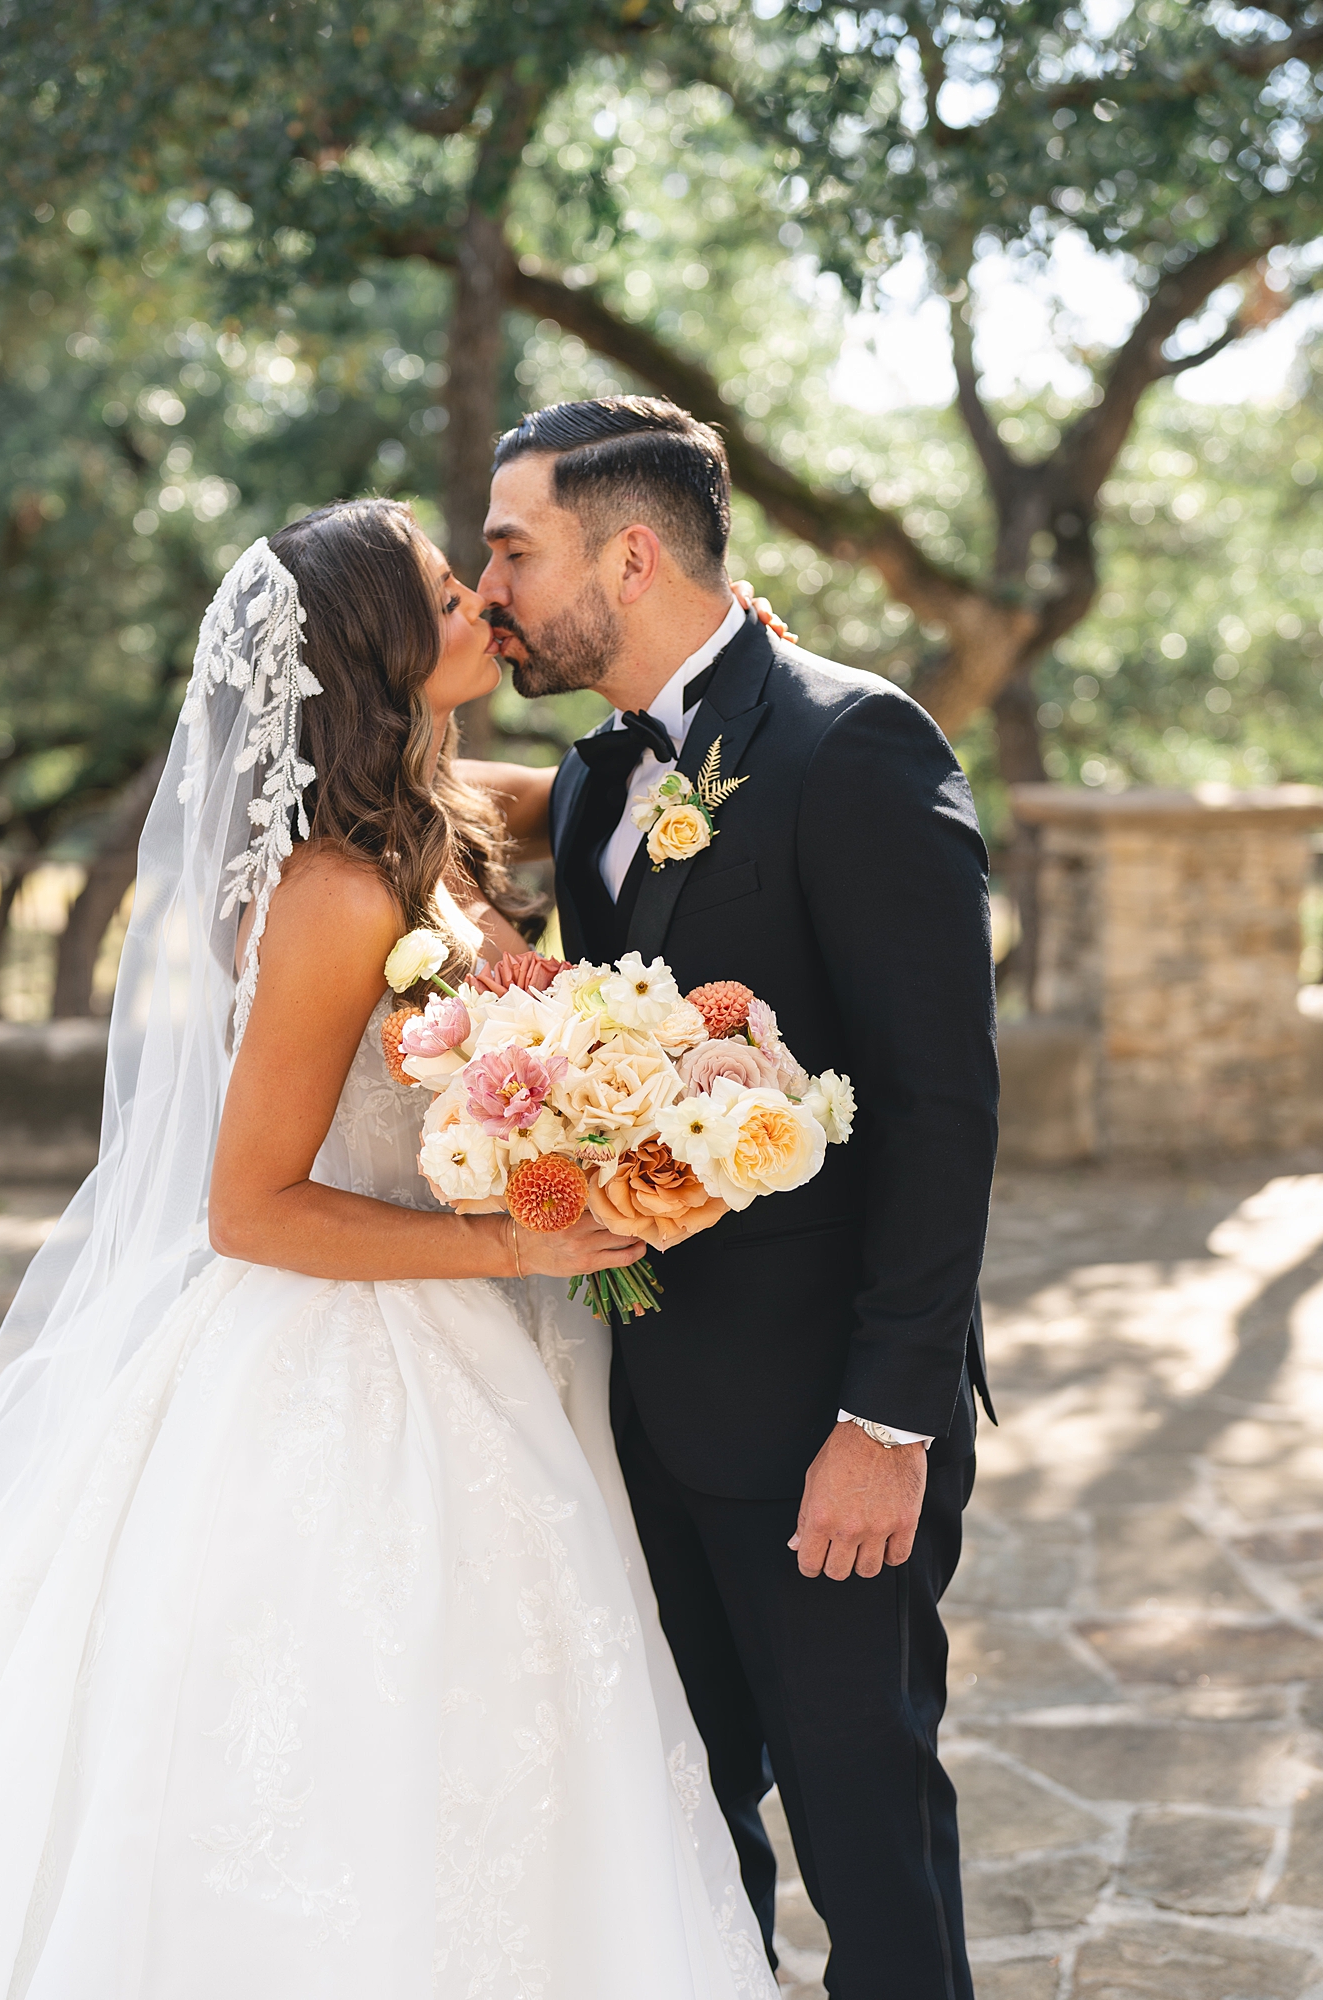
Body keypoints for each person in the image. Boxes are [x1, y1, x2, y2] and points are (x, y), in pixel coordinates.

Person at [0, 500, 777, 1999]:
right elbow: (249, 1208)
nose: (480, 596)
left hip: (485, 1336)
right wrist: (510, 1247)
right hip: (358, 1353)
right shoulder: (337, 894)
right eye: (440, 587)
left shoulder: (433, 814)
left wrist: (727, 680)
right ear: (372, 645)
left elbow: (590, 783)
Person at [464, 397, 999, 2000]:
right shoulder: (584, 785)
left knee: (866, 1839)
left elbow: (940, 1111)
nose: (491, 587)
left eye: (512, 548)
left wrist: (887, 1425)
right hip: (643, 1411)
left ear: (628, 557)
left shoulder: (857, 745)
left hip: (828, 1435)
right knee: (686, 1842)